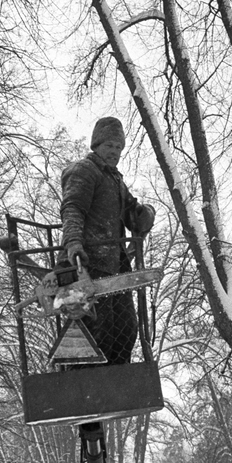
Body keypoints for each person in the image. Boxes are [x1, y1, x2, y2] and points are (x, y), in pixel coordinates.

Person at [60, 116, 155, 366]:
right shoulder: (84, 171)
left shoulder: (115, 180)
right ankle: (87, 384)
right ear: (97, 145)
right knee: (96, 331)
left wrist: (146, 215)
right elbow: (72, 209)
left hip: (114, 266)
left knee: (125, 329)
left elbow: (131, 214)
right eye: (109, 146)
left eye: (118, 148)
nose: (114, 152)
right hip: (86, 265)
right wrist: (73, 244)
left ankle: (118, 381)